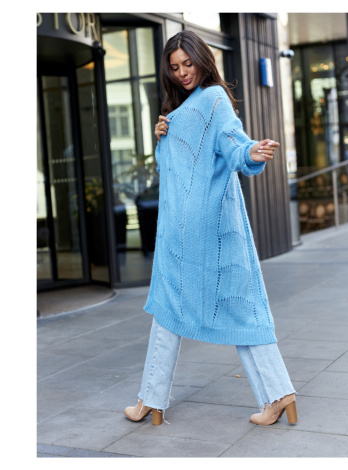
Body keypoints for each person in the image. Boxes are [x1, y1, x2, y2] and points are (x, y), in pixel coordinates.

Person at [124, 30, 297, 427]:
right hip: (183, 229)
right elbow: (176, 167)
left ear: (202, 60)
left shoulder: (214, 100)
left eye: (188, 63)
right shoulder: (182, 109)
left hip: (205, 228)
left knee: (219, 306)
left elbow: (233, 145)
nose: (183, 72)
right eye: (175, 67)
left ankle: (152, 399)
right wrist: (162, 138)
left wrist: (252, 152)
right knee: (216, 307)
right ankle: (276, 393)